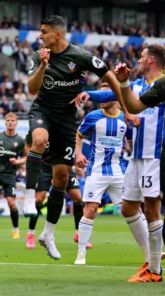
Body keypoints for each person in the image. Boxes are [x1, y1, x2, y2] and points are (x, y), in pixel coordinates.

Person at [26, 15, 130, 261]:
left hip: (66, 119)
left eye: (44, 32)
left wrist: (125, 107)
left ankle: (48, 235)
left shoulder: (81, 57)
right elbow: (32, 89)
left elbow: (109, 76)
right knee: (39, 140)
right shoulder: (39, 55)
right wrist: (42, 65)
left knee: (61, 178)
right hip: (42, 110)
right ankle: (29, 199)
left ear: (57, 34)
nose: (40, 36)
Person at [88, 44, 165, 282]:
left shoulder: (162, 86)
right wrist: (85, 94)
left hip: (155, 156)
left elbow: (131, 105)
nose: (138, 60)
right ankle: (151, 259)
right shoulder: (139, 86)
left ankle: (154, 270)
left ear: (152, 60)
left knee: (152, 209)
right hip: (136, 157)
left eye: (142, 57)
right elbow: (109, 95)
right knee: (128, 207)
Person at [73, 83, 130, 265]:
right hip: (96, 171)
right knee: (89, 211)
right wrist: (79, 154)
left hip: (118, 172)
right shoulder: (93, 117)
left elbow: (130, 138)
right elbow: (79, 135)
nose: (102, 99)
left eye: (105, 94)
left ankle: (150, 253)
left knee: (131, 210)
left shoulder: (124, 118)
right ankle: (81, 253)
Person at [23, 132, 88, 251]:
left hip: (64, 167)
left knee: (78, 198)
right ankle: (31, 234)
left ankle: (79, 234)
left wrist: (74, 165)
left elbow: (71, 148)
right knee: (39, 199)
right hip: (45, 168)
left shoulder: (64, 127)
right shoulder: (42, 127)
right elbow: (28, 144)